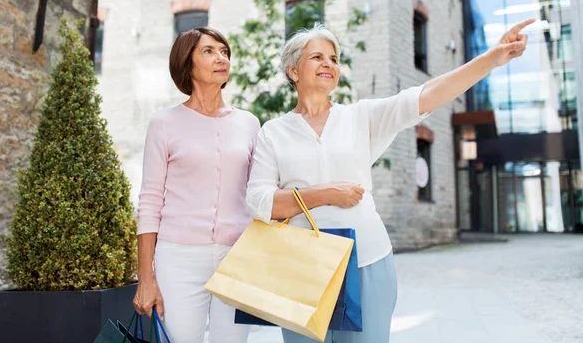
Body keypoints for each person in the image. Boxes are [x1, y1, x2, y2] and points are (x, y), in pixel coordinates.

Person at [247, 20, 533, 343]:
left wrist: (491, 59)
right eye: (317, 57)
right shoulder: (273, 132)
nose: (328, 63)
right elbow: (259, 202)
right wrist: (326, 194)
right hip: (300, 268)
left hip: (366, 262)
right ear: (292, 71)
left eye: (334, 58)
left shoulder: (360, 117)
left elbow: (428, 95)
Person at [133, 27, 260, 343]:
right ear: (187, 64)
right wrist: (145, 278)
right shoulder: (164, 123)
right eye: (209, 51)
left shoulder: (249, 123)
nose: (221, 58)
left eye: (224, 52)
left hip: (236, 256)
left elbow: (261, 192)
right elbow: (149, 202)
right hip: (178, 258)